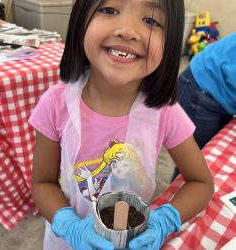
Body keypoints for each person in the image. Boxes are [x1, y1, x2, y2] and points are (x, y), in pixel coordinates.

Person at [29, 0, 214, 249]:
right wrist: (70, 226)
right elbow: (42, 183)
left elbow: (201, 183)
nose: (127, 31)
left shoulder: (164, 113)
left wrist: (165, 221)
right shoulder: (55, 104)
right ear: (80, 17)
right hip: (64, 242)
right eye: (109, 10)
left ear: (170, 42)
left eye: (151, 21)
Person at [172, 32, 236, 179]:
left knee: (205, 161)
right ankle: (176, 200)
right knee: (191, 166)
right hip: (202, 87)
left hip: (221, 93)